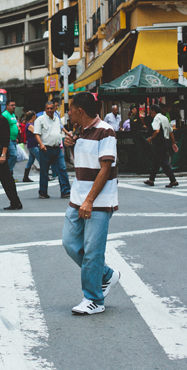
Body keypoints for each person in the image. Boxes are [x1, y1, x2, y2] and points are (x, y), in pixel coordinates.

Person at [61, 92, 121, 316]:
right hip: (77, 199)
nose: (68, 112)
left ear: (80, 111)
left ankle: (94, 299)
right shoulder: (80, 131)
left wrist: (89, 200)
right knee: (70, 243)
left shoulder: (106, 131)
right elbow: (82, 163)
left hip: (98, 202)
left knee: (93, 252)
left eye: (70, 108)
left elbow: (105, 169)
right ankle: (105, 275)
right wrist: (70, 145)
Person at [32, 100, 71, 199]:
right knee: (44, 171)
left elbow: (61, 127)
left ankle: (65, 191)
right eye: (47, 108)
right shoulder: (40, 119)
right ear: (45, 109)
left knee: (62, 169)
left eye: (51, 108)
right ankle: (43, 192)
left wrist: (68, 133)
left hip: (57, 148)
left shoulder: (57, 118)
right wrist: (41, 144)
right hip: (45, 149)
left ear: (54, 109)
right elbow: (36, 133)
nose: (49, 110)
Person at [145, 105, 178, 187]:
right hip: (165, 141)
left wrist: (150, 138)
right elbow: (171, 132)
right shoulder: (165, 118)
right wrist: (173, 143)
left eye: (151, 112)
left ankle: (173, 180)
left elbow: (156, 130)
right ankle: (151, 179)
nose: (150, 114)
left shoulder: (156, 119)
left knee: (163, 162)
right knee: (155, 161)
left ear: (153, 111)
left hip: (159, 142)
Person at [1, 100, 19, 179]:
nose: (14, 107)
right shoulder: (5, 114)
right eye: (12, 105)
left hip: (14, 139)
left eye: (14, 105)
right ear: (7, 106)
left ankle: (9, 175)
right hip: (9, 139)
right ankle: (6, 172)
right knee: (13, 155)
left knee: (12, 156)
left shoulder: (13, 114)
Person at [21, 111, 39, 182]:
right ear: (33, 117)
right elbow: (37, 133)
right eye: (35, 116)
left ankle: (25, 177)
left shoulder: (29, 124)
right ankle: (45, 176)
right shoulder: (30, 125)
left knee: (30, 161)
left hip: (31, 145)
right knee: (42, 160)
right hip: (33, 145)